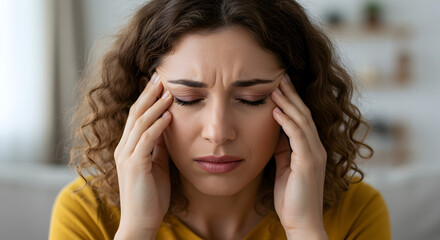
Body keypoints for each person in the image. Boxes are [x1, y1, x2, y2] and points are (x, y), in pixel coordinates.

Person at [49, 0, 391, 239]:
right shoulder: (87, 211)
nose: (218, 132)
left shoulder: (357, 211)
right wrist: (138, 229)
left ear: (297, 101)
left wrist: (304, 230)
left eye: (251, 99)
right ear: (145, 100)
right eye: (187, 99)